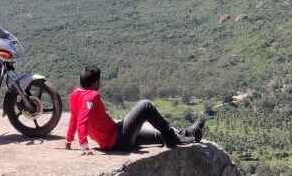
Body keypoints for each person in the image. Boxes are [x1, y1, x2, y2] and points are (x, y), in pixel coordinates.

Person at [64, 65, 205, 154]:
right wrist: (84, 145)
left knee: (157, 135)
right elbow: (82, 119)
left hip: (116, 134)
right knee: (145, 105)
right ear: (96, 82)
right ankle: (171, 139)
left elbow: (74, 119)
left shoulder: (74, 96)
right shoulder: (92, 97)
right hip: (118, 140)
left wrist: (69, 140)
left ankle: (192, 133)